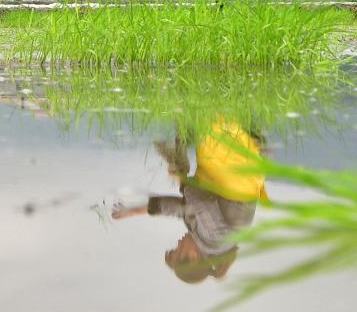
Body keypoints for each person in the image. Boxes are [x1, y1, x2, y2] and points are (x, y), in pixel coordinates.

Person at [112, 119, 267, 284]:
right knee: (209, 117)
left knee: (194, 123)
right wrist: (182, 179)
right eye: (177, 249)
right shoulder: (213, 241)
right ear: (192, 257)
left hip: (233, 170)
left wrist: (135, 211)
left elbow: (181, 210)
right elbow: (201, 204)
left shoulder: (206, 239)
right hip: (233, 164)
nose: (178, 242)